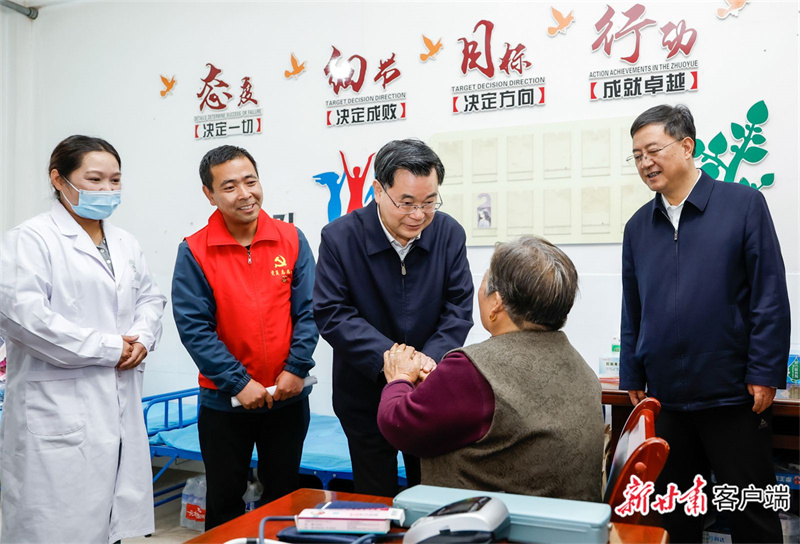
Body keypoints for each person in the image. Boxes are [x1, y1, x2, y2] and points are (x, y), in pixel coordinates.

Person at [620, 104, 790, 543]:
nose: (644, 163)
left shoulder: (743, 205)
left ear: (687, 146)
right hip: (666, 397)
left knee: (751, 514)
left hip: (733, 393)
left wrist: (765, 371)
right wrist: (633, 373)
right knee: (674, 516)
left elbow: (769, 294)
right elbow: (633, 307)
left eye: (652, 150)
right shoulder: (638, 227)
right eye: (636, 155)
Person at [0, 135, 166, 543]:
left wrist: (143, 338)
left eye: (115, 180)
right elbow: (25, 319)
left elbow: (150, 298)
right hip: (56, 412)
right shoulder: (30, 239)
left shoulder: (124, 242)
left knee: (109, 526)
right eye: (95, 179)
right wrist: (110, 348)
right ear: (59, 179)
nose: (107, 190)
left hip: (117, 401)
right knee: (55, 527)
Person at [377, 235, 604, 501]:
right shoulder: (581, 367)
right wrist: (438, 388)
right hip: (572, 516)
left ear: (496, 302)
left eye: (484, 280)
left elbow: (399, 426)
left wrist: (400, 377)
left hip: (494, 519)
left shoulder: (471, 369)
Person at [314, 138, 474, 497]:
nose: (418, 215)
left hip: (429, 391)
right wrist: (393, 361)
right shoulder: (340, 238)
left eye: (429, 202)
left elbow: (458, 307)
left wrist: (426, 361)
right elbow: (332, 313)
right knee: (375, 499)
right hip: (364, 394)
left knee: (430, 494)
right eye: (407, 203)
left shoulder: (448, 233)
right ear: (377, 191)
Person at [172, 145, 317, 530]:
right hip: (224, 403)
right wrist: (238, 383)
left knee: (284, 497)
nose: (245, 194)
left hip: (286, 397)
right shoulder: (195, 250)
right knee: (224, 501)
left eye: (250, 181)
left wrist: (296, 369)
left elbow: (309, 311)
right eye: (230, 186)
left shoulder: (291, 238)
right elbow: (194, 328)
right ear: (210, 194)